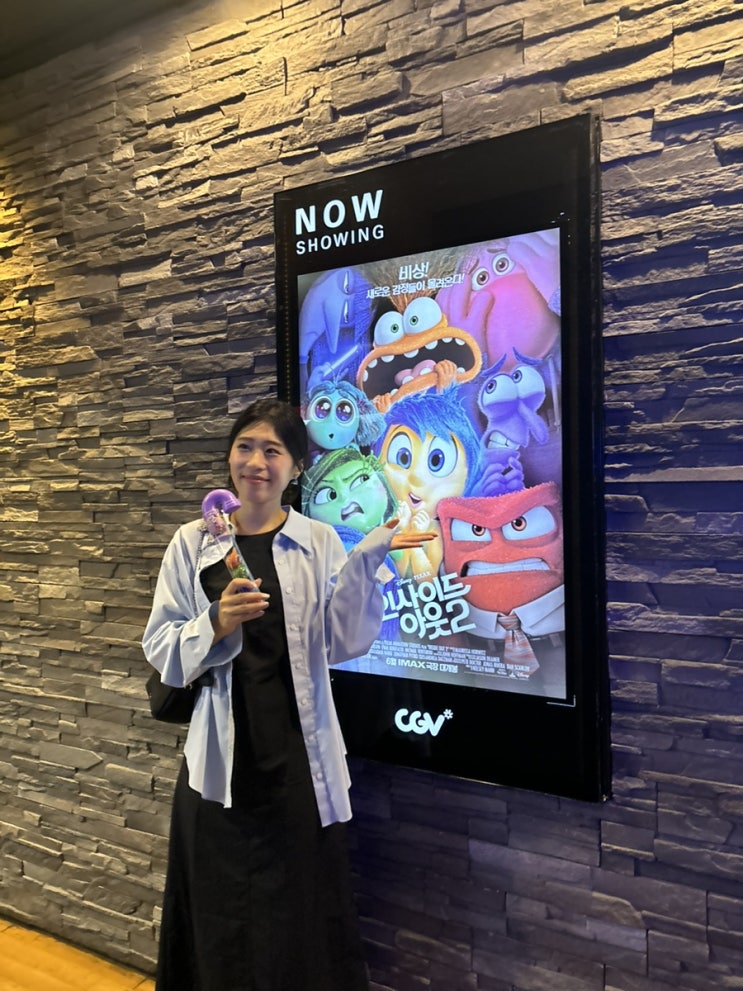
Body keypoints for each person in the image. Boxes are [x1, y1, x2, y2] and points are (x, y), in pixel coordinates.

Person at [142, 397, 435, 991]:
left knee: (299, 912)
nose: (257, 462)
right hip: (221, 759)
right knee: (219, 910)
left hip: (298, 760)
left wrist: (365, 565)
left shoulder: (318, 540)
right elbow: (161, 648)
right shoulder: (192, 543)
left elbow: (341, 642)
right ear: (230, 458)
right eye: (245, 447)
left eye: (273, 451)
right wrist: (215, 622)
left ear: (297, 467)